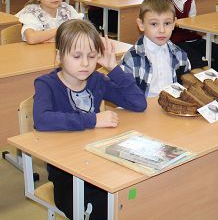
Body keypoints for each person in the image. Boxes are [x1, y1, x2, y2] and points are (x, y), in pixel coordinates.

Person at [34, 19, 147, 219]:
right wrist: (93, 120)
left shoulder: (97, 80)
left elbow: (138, 103)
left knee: (129, 198)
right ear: (59, 56)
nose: (85, 63)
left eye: (92, 56)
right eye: (77, 56)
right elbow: (42, 120)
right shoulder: (46, 84)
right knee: (100, 209)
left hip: (99, 163)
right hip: (65, 173)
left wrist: (113, 68)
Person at [121, 0, 192, 97]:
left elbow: (186, 87)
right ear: (141, 24)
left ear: (173, 24)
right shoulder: (131, 58)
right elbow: (125, 95)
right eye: (154, 24)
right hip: (143, 106)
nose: (162, 30)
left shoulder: (180, 55)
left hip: (172, 104)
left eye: (167, 23)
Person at [16, 0, 83, 44]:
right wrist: (62, 30)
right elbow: (31, 38)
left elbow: (80, 33)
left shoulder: (67, 9)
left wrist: (50, 39)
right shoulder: (32, 13)